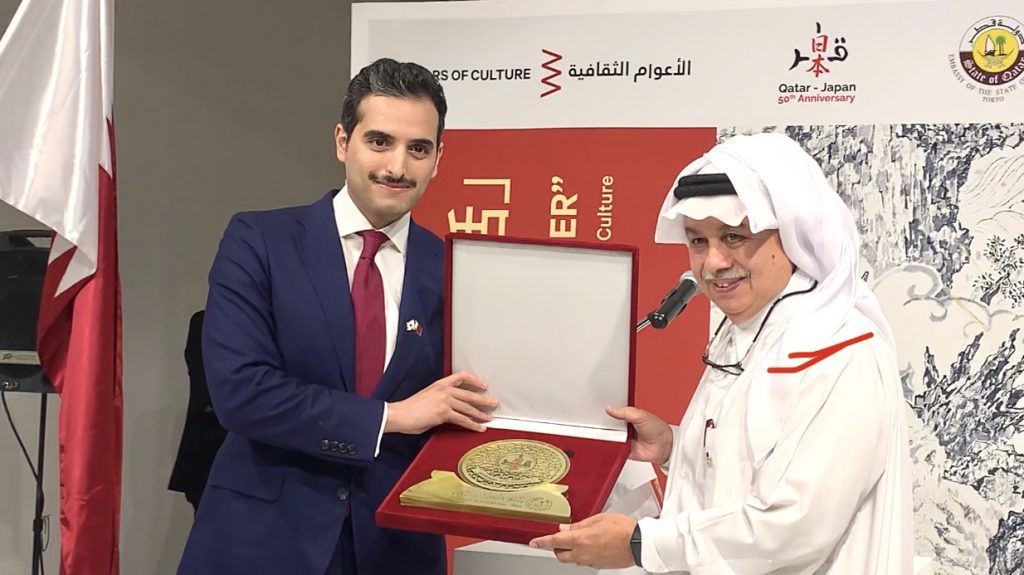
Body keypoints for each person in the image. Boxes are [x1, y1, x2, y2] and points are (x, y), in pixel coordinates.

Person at [529, 133, 913, 573]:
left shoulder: (838, 348)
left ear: (793, 233)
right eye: (696, 241)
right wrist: (674, 446)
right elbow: (747, 468)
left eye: (733, 237)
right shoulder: (751, 328)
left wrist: (640, 543)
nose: (712, 263)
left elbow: (794, 526)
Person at [178, 58, 498, 575]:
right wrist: (392, 418)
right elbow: (242, 393)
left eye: (418, 148)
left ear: (438, 158)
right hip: (262, 543)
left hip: (397, 548)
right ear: (341, 141)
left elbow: (481, 403)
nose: (398, 166)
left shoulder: (458, 271)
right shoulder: (259, 241)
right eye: (379, 141)